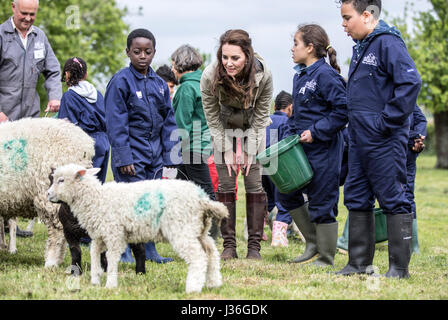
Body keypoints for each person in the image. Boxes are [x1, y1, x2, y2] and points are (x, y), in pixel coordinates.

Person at [336, 0, 422, 279]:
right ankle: (358, 263)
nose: (344, 24)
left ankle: (399, 268)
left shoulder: (388, 43)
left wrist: (387, 122)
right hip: (359, 140)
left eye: (348, 18)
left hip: (384, 139)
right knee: (357, 198)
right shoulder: (363, 46)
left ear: (367, 15)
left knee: (395, 200)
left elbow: (411, 82)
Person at [104, 28, 180, 264]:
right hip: (131, 158)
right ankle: (123, 252)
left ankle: (150, 251)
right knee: (130, 206)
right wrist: (123, 157)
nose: (142, 56)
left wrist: (171, 158)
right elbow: (116, 124)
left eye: (148, 52)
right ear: (128, 52)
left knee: (152, 205)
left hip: (155, 157)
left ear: (154, 52)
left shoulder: (159, 84)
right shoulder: (120, 82)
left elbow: (169, 122)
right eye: (137, 52)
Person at [277, 24, 348, 267]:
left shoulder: (326, 75)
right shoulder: (301, 76)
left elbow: (343, 111)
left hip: (324, 149)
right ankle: (312, 243)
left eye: (295, 43)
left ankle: (326, 257)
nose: (292, 48)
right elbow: (296, 115)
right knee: (285, 192)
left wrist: (316, 132)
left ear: (309, 47)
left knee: (322, 201)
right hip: (300, 149)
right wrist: (288, 135)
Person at [200, 29, 273, 260]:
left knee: (254, 183)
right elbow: (211, 117)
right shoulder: (209, 75)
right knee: (225, 184)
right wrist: (228, 150)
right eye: (224, 57)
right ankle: (229, 246)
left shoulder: (265, 74)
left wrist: (250, 151)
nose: (228, 63)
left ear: (248, 56)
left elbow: (262, 116)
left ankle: (254, 248)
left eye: (235, 58)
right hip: (224, 128)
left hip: (254, 128)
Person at [0, 0, 62, 237]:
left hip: (30, 116)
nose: (28, 18)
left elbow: (54, 70)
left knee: (25, 169)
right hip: (4, 117)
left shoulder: (39, 37)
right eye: (24, 13)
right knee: (4, 170)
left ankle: (14, 221)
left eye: (32, 14)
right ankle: (4, 222)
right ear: (13, 8)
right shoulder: (2, 35)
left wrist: (56, 96)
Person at [170, 44, 219, 239]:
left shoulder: (186, 88)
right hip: (205, 143)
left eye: (174, 64)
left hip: (191, 147)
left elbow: (182, 123)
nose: (172, 69)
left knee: (205, 191)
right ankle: (180, 231)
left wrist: (175, 150)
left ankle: (213, 234)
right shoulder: (205, 83)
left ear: (181, 65)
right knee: (178, 191)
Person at [58, 57, 110, 184]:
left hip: (85, 144)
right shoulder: (97, 93)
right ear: (86, 75)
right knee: (98, 185)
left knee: (82, 186)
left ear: (67, 74)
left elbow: (65, 126)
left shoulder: (69, 96)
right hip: (103, 142)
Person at [262, 90, 294, 247]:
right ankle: (280, 236)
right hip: (279, 167)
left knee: (267, 201)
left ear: (274, 106)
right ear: (290, 108)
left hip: (262, 166)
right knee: (284, 202)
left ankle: (262, 229)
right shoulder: (287, 122)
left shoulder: (265, 120)